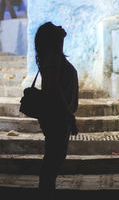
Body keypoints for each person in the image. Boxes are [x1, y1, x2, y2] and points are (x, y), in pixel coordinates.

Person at [34, 22, 79, 200]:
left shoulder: (55, 56)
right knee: (53, 159)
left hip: (58, 115)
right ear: (52, 38)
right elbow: (54, 88)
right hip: (57, 116)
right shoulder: (52, 58)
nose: (60, 26)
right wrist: (69, 115)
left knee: (54, 158)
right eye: (55, 27)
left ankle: (46, 192)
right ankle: (46, 193)